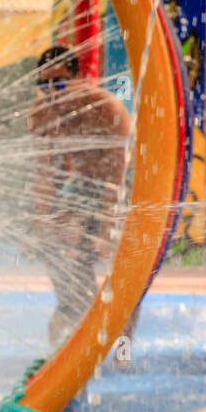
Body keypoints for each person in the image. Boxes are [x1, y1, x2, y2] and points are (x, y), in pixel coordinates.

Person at [26, 45, 133, 350]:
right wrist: (40, 225)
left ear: (77, 79)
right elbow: (44, 175)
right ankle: (73, 305)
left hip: (125, 182)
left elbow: (115, 181)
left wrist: (103, 233)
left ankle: (123, 349)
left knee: (128, 270)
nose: (51, 92)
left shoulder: (107, 109)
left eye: (58, 83)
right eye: (43, 85)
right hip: (82, 183)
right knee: (53, 245)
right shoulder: (41, 114)